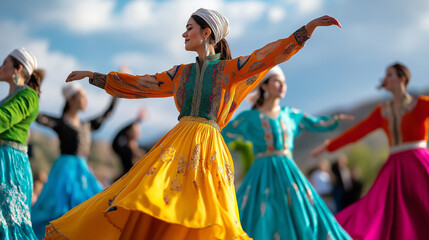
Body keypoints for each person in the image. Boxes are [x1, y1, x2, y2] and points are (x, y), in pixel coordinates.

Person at [44, 8, 342, 240]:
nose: (183, 34)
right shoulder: (179, 74)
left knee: (203, 213)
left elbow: (266, 56)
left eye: (189, 28)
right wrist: (95, 77)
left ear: (206, 32)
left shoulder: (230, 70)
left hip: (208, 150)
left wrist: (307, 30)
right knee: (152, 204)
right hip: (175, 145)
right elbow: (141, 84)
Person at [222, 66, 352, 239]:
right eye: (277, 81)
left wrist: (334, 120)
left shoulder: (290, 114)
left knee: (305, 212)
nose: (282, 85)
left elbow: (314, 123)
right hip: (261, 173)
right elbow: (223, 135)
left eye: (284, 82)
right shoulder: (250, 117)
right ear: (264, 86)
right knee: (258, 213)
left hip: (288, 171)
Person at [312, 62, 429, 239]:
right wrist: (329, 146)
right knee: (377, 210)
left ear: (402, 79)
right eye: (385, 75)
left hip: (418, 162)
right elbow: (358, 132)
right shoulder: (382, 111)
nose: (385, 79)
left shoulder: (421, 104)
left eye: (390, 75)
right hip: (394, 168)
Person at [31, 82, 117, 239]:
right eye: (82, 96)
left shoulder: (87, 125)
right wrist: (32, 92)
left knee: (94, 204)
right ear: (71, 100)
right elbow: (38, 116)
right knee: (60, 209)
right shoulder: (61, 122)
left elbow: (107, 113)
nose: (86, 100)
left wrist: (117, 89)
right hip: (65, 169)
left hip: (83, 170)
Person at [0, 48, 43, 240]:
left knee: (11, 227)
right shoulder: (7, 99)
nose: (1, 67)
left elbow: (4, 119)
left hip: (10, 164)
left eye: (4, 63)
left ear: (18, 68)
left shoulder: (28, 96)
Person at [112, 107, 147, 179]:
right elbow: (117, 135)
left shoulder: (142, 152)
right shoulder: (123, 150)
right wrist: (136, 120)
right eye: (135, 128)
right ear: (127, 132)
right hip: (126, 182)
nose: (138, 130)